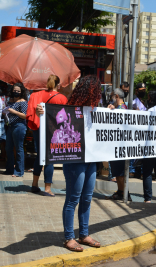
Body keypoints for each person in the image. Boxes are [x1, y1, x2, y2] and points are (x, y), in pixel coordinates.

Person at [36, 75, 102, 252]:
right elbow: (52, 122)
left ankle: (84, 234)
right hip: (75, 160)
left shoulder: (97, 110)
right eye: (96, 92)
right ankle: (68, 238)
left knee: (87, 198)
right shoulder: (69, 109)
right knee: (73, 198)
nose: (98, 96)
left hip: (91, 160)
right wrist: (41, 113)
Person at [27, 74, 68, 196]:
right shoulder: (62, 98)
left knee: (40, 155)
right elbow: (64, 118)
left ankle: (34, 185)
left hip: (38, 129)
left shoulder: (36, 95)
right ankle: (47, 188)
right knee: (50, 157)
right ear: (58, 85)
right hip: (52, 131)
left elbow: (31, 111)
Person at [107, 88, 131, 201]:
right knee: (118, 171)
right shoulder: (122, 108)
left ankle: (124, 192)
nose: (111, 98)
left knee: (120, 171)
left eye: (112, 96)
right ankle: (121, 191)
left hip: (119, 144)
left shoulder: (120, 109)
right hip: (119, 144)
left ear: (116, 96)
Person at [142, 90, 156, 203]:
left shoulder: (150, 111)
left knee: (147, 173)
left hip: (149, 146)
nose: (148, 99)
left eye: (149, 97)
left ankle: (148, 198)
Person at [3, 83, 28, 177]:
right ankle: (9, 169)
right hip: (9, 125)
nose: (16, 92)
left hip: (19, 126)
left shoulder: (23, 102)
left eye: (18, 91)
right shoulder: (10, 101)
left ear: (21, 92)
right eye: (14, 90)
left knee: (18, 148)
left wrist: (14, 112)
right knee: (8, 148)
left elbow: (25, 116)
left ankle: (19, 171)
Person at [129, 82, 147, 178]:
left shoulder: (142, 101)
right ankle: (132, 170)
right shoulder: (133, 102)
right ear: (136, 91)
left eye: (144, 90)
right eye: (141, 91)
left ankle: (136, 170)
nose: (143, 92)